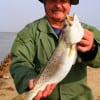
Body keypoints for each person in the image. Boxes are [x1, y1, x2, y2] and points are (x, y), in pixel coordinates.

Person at [10, 0, 100, 100]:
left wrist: (93, 48)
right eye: (52, 0)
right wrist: (28, 80)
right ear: (45, 3)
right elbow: (19, 62)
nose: (58, 5)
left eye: (63, 0)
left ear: (70, 4)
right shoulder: (28, 32)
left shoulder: (85, 30)